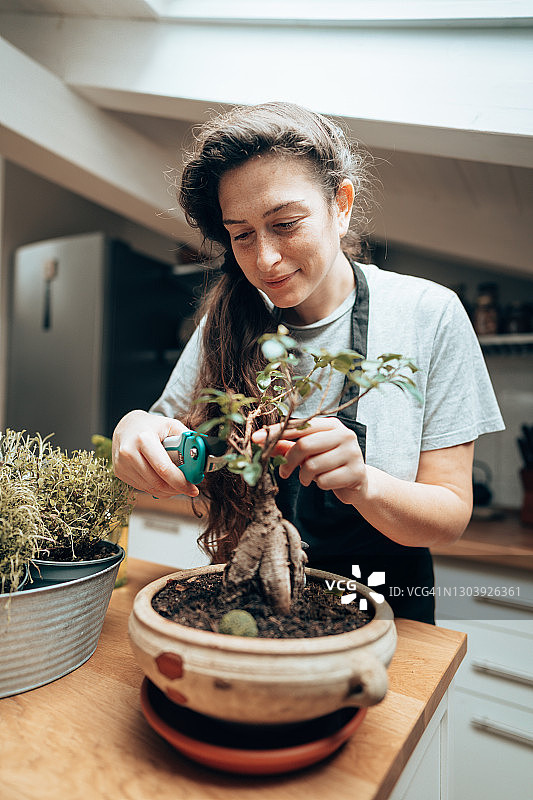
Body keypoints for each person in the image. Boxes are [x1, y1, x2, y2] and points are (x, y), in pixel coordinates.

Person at [112, 102, 504, 624]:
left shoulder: (428, 314)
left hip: (386, 613)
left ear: (341, 206)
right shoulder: (225, 324)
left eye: (286, 224)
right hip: (254, 601)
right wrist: (135, 428)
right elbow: (165, 432)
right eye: (241, 234)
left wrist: (364, 484)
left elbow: (449, 514)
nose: (265, 259)